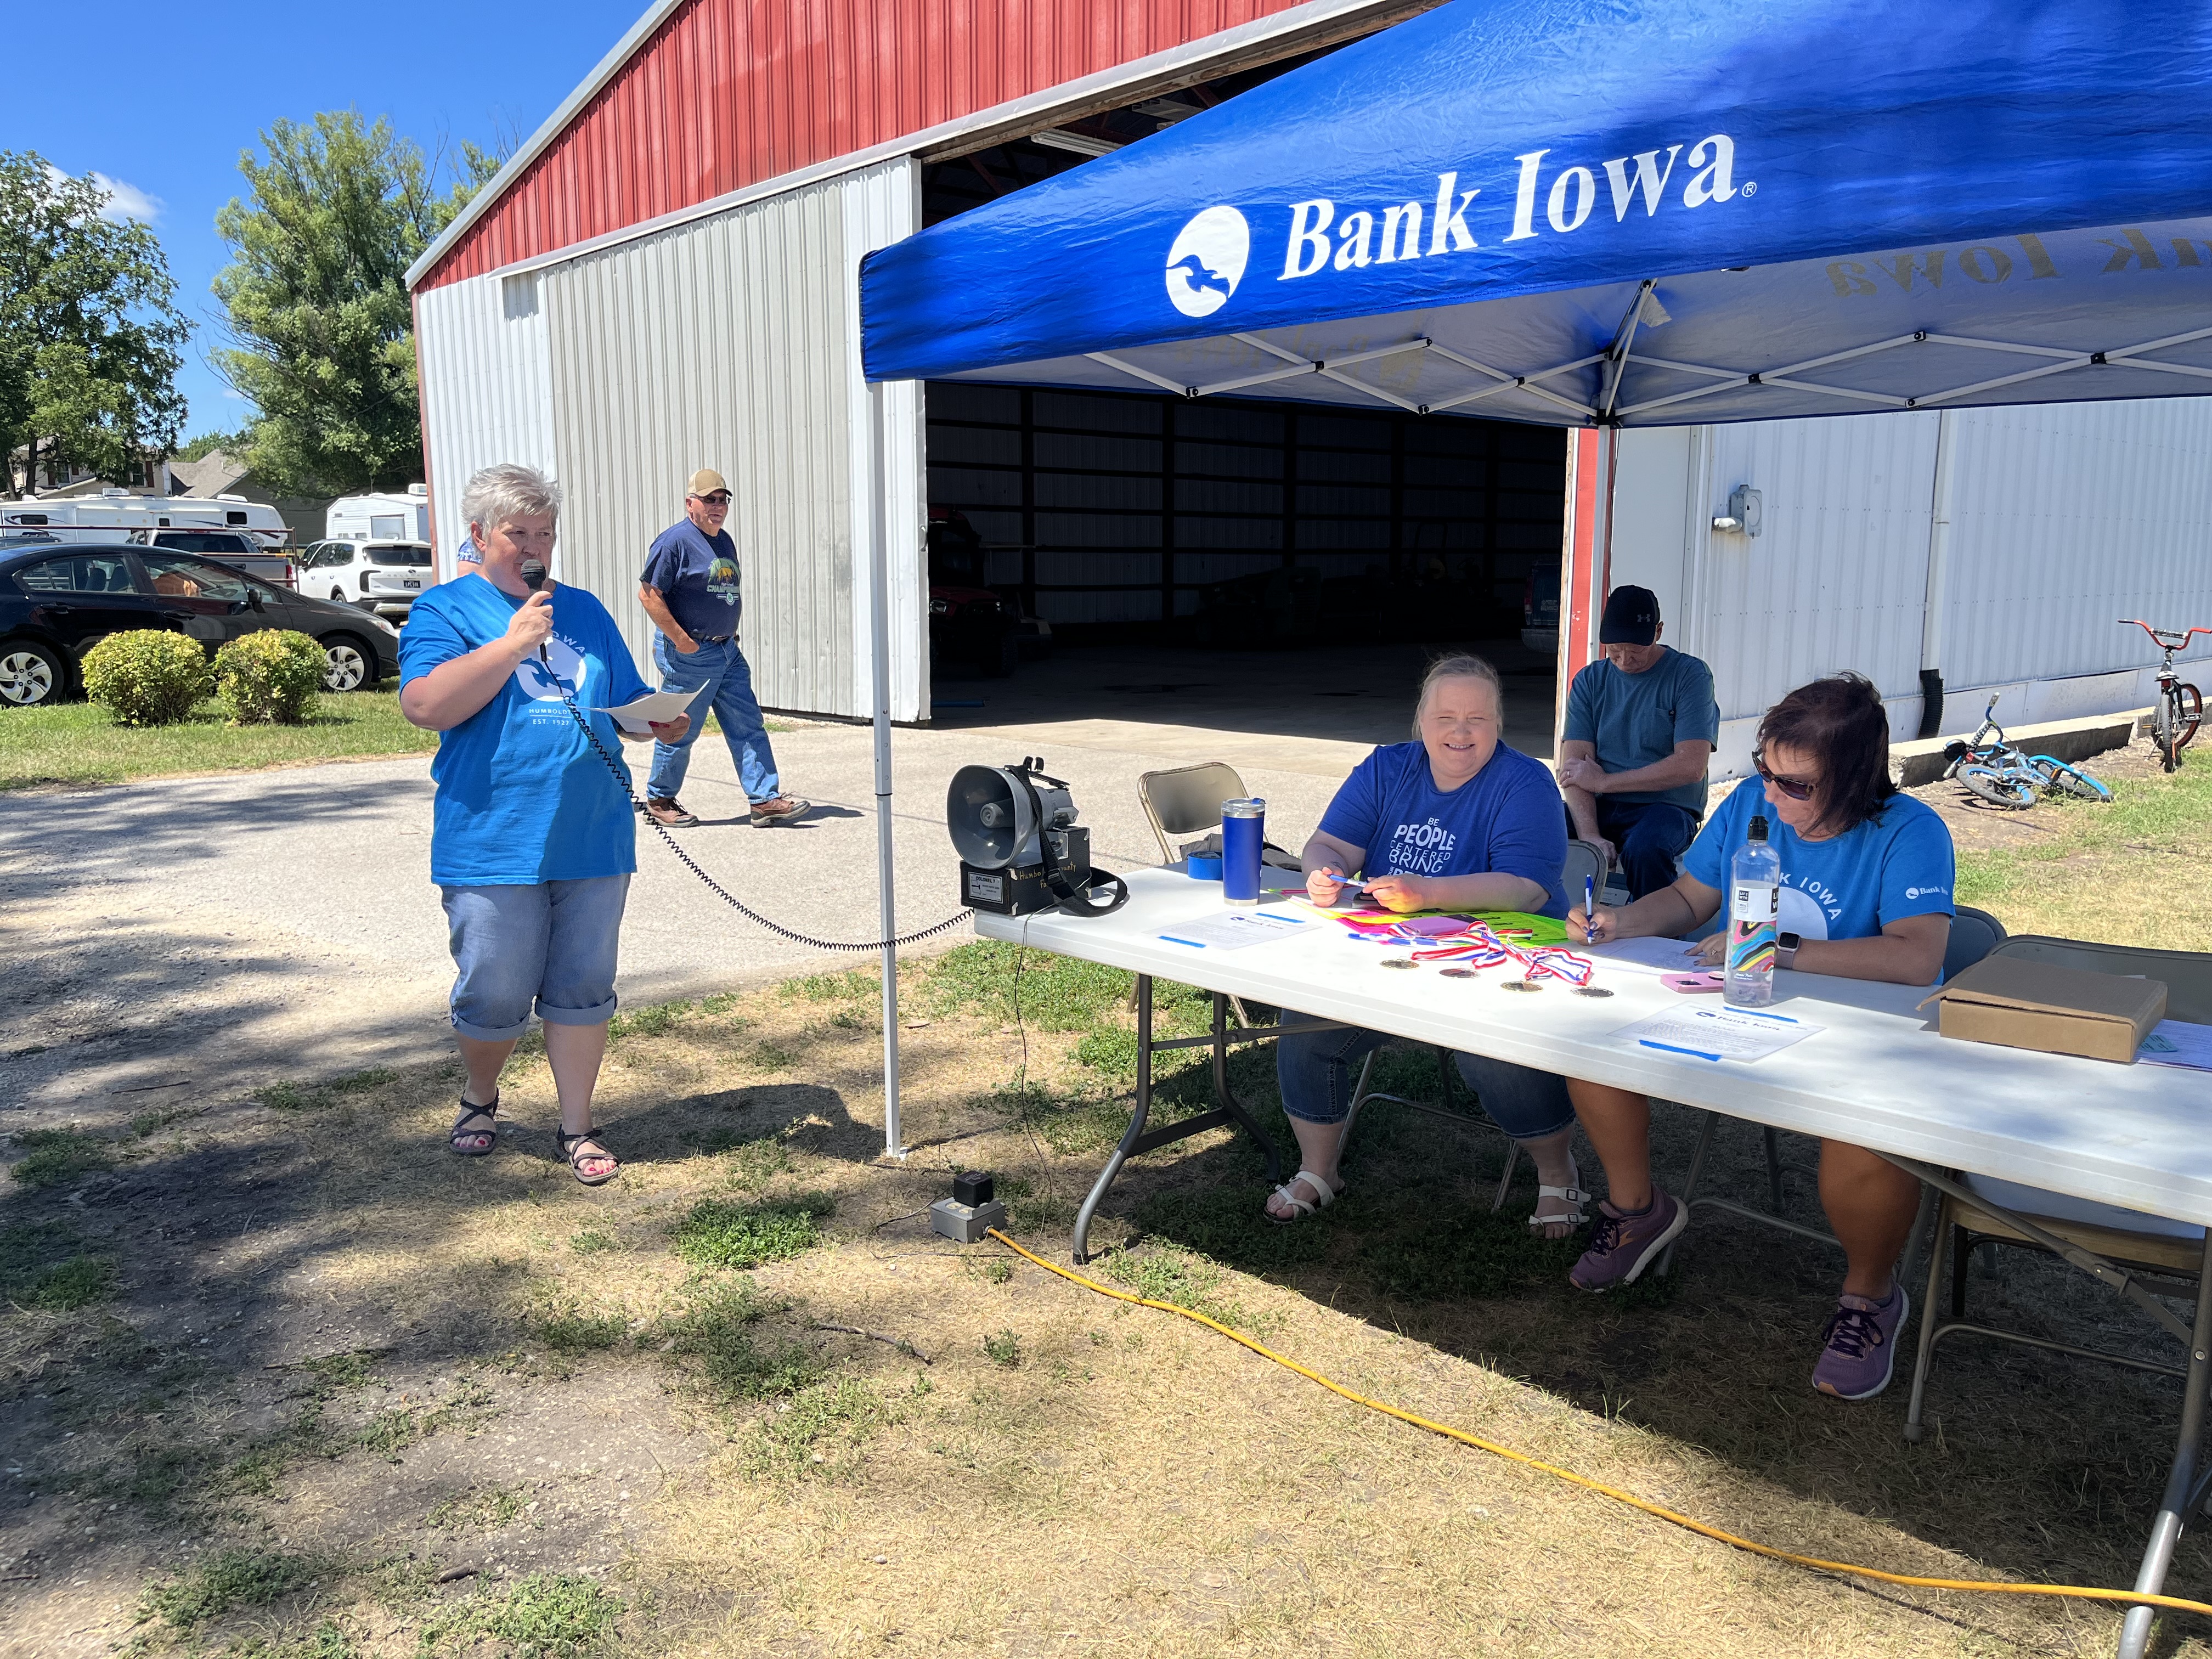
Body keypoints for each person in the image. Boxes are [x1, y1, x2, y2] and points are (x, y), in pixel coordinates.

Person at [1561, 672, 1955, 1401]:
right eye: (1766, 772)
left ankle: (1870, 1298)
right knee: (1595, 1050)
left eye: (1797, 786)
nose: (1770, 794)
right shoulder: (1749, 804)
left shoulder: (1910, 831)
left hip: (1856, 1035)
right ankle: (1638, 1211)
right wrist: (1622, 922)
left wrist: (1777, 949)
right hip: (1737, 1008)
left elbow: (1916, 956)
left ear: (1853, 780)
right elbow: (1688, 900)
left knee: (1869, 1133)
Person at [398, 463, 690, 1187]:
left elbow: (620, 704)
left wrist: (657, 720)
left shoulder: (585, 611)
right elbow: (427, 706)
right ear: (479, 536)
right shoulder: (445, 610)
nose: (535, 547)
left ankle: (578, 1125)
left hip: (592, 834)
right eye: (517, 533)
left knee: (583, 983)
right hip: (493, 835)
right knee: (495, 986)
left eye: (546, 533)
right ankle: (481, 1097)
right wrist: (513, 642)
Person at [1271, 654, 1588, 1236]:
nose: (1460, 732)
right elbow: (1327, 844)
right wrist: (1325, 872)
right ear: (1421, 719)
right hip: (1390, 956)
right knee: (1307, 1018)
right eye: (1445, 717)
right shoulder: (1388, 767)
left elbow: (1524, 886)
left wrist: (1427, 892)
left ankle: (1555, 1171)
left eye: (1477, 719)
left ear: (1499, 723)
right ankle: (1319, 1171)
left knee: (1492, 1050)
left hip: (1498, 963)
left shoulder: (1525, 781)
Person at [636, 468, 810, 829]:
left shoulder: (723, 540)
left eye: (722, 499)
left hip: (728, 652)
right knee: (680, 727)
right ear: (690, 503)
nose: (717, 506)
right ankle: (660, 797)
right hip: (691, 654)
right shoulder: (674, 543)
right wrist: (682, 641)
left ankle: (764, 799)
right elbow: (649, 596)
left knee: (748, 724)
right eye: (709, 499)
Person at [1554, 585, 1719, 900]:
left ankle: (1656, 935)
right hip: (1600, 804)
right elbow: (1574, 770)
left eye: (1635, 651)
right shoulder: (1590, 680)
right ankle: (1541, 920)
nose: (1624, 661)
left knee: (1646, 849)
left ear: (1658, 632)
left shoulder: (1690, 675)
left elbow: (1690, 767)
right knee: (1536, 825)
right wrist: (1591, 837)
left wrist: (1605, 781)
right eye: (1614, 651)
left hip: (1666, 806)